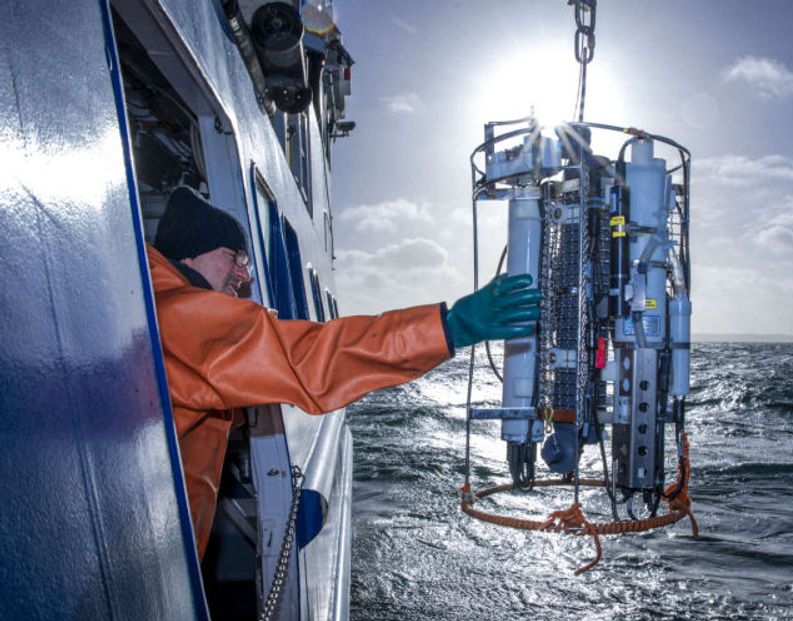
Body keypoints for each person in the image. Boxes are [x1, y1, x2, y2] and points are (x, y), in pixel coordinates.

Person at [148, 186, 540, 558]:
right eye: (235, 256)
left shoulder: (160, 307)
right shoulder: (181, 317)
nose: (244, 274)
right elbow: (308, 357)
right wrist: (449, 327)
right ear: (190, 252)